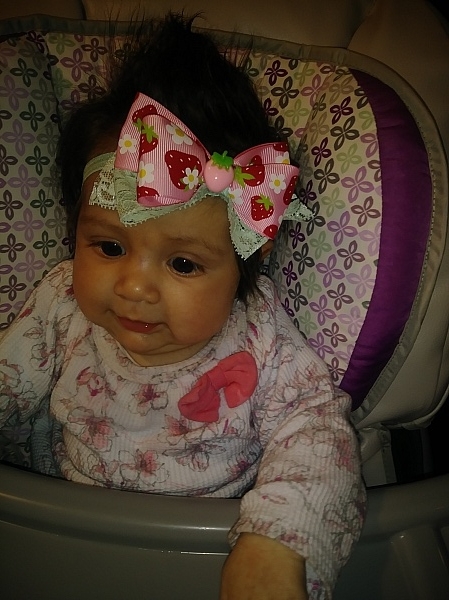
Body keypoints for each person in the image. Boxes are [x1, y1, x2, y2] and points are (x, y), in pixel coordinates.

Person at [0, 13, 365, 599]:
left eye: (184, 264)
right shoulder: (60, 303)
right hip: (62, 546)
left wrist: (276, 542)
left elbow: (317, 435)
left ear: (244, 262)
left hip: (212, 559)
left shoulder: (261, 335)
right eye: (109, 247)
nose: (134, 288)